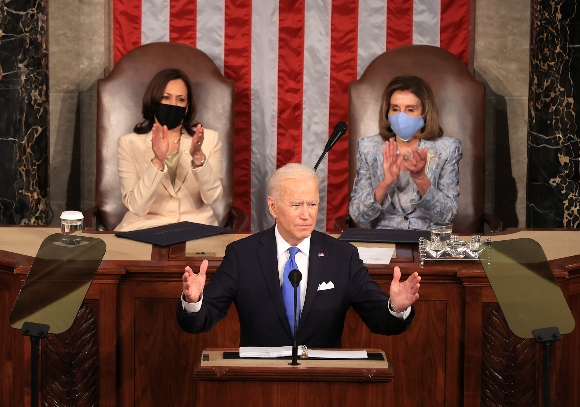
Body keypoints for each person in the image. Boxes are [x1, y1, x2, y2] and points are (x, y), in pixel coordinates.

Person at [177, 163, 421, 348]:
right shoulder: (243, 255)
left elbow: (380, 319)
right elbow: (200, 320)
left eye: (312, 204)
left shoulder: (342, 256)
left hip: (323, 384)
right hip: (259, 382)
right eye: (296, 205)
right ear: (273, 207)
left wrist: (396, 308)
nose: (306, 215)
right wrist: (193, 301)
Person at [115, 68, 223, 231]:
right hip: (144, 228)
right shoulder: (129, 144)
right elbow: (137, 207)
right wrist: (157, 162)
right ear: (154, 100)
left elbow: (213, 197)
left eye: (180, 100)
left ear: (187, 107)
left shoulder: (209, 139)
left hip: (196, 229)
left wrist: (198, 158)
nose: (173, 105)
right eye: (166, 97)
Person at [349, 75, 462, 230]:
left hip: (427, 241)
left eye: (410, 109)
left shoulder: (447, 149)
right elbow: (358, 216)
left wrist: (421, 179)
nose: (401, 116)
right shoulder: (369, 147)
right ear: (387, 112)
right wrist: (385, 183)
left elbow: (447, 214)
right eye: (395, 109)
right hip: (383, 240)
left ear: (425, 113)